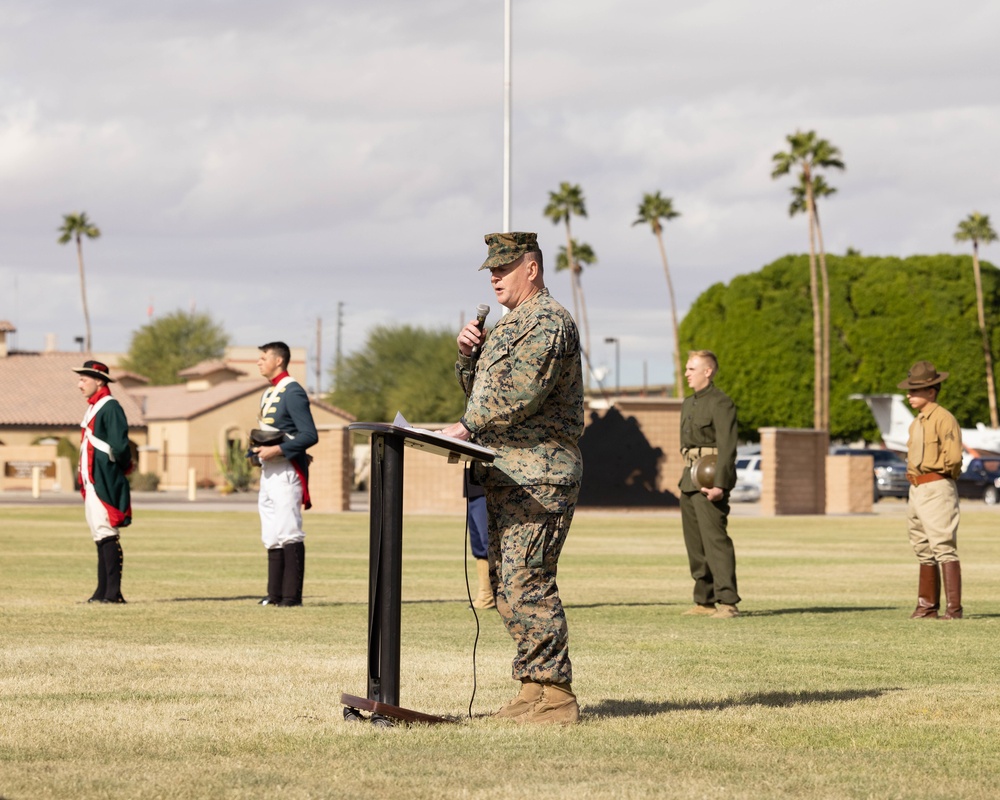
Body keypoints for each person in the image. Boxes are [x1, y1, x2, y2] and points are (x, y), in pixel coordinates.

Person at [440, 231, 584, 725]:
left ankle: (557, 697)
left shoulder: (547, 321)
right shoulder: (507, 326)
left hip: (540, 474)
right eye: (491, 271)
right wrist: (467, 356)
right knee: (506, 585)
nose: (495, 277)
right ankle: (533, 689)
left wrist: (468, 426)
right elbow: (481, 391)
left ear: (533, 268)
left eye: (503, 269)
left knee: (529, 579)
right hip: (507, 472)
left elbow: (521, 393)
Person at [253, 341, 318, 607]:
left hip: (286, 470)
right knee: (271, 532)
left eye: (263, 357)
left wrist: (278, 448)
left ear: (279, 360)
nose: (259, 361)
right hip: (269, 470)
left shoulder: (292, 391)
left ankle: (291, 597)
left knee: (289, 530)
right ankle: (274, 594)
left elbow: (309, 435)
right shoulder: (269, 393)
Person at [898, 361, 964, 620]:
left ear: (931, 392)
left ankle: (953, 610)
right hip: (916, 488)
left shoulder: (943, 418)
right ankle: (926, 607)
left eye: (914, 391)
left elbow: (954, 457)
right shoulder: (917, 423)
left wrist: (941, 478)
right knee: (922, 546)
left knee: (943, 545)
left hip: (937, 485)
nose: (909, 395)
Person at [678, 350, 740, 619]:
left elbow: (728, 447)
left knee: (715, 541)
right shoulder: (688, 402)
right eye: (687, 368)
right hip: (688, 479)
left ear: (708, 371)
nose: (686, 373)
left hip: (709, 480)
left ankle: (728, 602)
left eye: (692, 369)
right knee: (695, 543)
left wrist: (720, 485)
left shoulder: (721, 402)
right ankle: (704, 600)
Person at [74, 359, 133, 604]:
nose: (79, 384)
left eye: (83, 379)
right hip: (92, 478)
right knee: (99, 533)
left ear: (99, 381)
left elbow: (120, 446)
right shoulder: (93, 407)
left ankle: (113, 593)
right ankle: (102, 591)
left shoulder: (110, 407)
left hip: (104, 477)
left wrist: (116, 469)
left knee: (107, 532)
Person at [465, 471, 494, 609]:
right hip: (473, 488)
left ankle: (491, 596)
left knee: (488, 542)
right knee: (479, 545)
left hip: (488, 485)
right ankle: (486, 595)